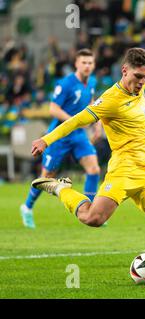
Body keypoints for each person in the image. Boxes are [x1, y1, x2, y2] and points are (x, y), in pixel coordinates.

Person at [30, 45, 145, 284]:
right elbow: (76, 121)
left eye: (144, 77)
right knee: (94, 219)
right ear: (124, 70)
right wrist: (46, 139)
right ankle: (61, 189)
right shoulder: (110, 100)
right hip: (123, 171)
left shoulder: (143, 83)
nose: (142, 82)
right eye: (138, 77)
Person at [20, 49, 102, 229]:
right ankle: (27, 207)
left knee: (94, 169)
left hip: (79, 135)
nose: (87, 66)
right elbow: (53, 109)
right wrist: (74, 122)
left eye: (90, 63)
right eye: (84, 62)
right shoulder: (65, 84)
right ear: (76, 64)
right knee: (47, 176)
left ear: (93, 65)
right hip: (59, 136)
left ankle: (89, 211)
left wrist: (97, 124)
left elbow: (91, 104)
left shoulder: (93, 81)